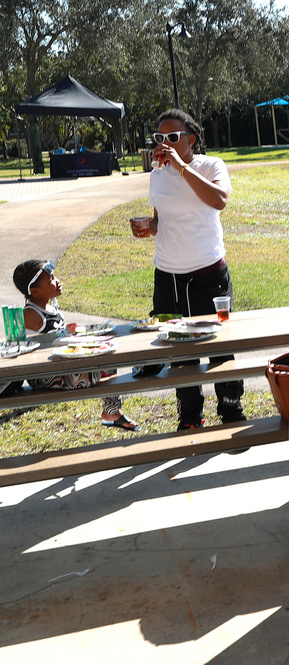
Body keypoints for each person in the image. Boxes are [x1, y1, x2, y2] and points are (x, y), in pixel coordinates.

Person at [129, 108, 243, 430]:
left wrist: (182, 168)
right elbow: (160, 219)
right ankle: (190, 417)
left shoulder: (211, 165)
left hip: (208, 274)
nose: (165, 143)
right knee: (179, 350)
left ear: (191, 139)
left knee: (219, 346)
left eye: (173, 137)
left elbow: (219, 200)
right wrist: (147, 227)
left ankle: (231, 411)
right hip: (168, 278)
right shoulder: (157, 174)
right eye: (160, 137)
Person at [10, 259, 139, 431]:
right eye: (51, 280)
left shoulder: (50, 307)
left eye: (55, 277)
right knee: (98, 369)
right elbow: (28, 349)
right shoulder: (31, 314)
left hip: (60, 367)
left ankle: (112, 412)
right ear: (34, 291)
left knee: (107, 357)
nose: (57, 282)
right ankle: (112, 411)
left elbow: (57, 336)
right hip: (44, 375)